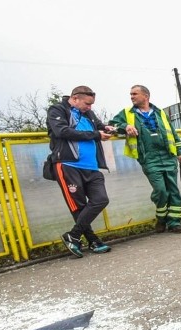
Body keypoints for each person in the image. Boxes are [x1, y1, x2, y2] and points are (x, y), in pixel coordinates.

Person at [46, 86, 116, 258]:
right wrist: (96, 135)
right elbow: (61, 131)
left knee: (100, 200)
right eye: (87, 104)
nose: (90, 108)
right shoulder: (58, 109)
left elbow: (100, 127)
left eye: (92, 105)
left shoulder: (89, 114)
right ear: (75, 98)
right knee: (78, 206)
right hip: (68, 164)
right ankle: (92, 240)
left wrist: (110, 129)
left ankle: (73, 235)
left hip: (91, 166)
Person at [111, 85, 181, 233]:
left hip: (168, 156)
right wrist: (125, 126)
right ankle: (161, 218)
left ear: (146, 96)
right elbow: (111, 125)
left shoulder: (160, 113)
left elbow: (172, 132)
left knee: (173, 190)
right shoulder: (127, 113)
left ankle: (174, 223)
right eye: (131, 94)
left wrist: (179, 152)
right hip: (149, 158)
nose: (131, 96)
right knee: (160, 191)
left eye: (135, 94)